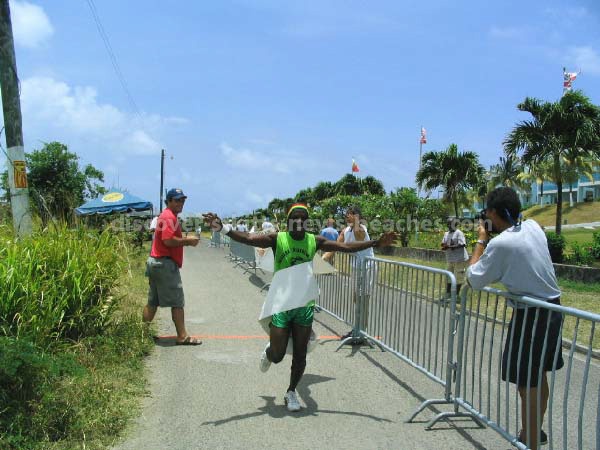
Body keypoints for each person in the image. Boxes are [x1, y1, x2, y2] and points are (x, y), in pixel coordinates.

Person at [203, 204, 396, 412]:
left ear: (307, 222)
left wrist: (376, 242)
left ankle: (291, 391)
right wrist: (220, 227)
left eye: (303, 219)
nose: (299, 222)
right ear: (288, 221)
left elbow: (346, 248)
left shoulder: (314, 240)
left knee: (301, 353)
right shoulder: (278, 238)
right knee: (277, 355)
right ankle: (269, 353)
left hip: (304, 305)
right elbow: (248, 239)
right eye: (295, 218)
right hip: (282, 305)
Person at [466, 187, 563, 449]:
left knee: (526, 384)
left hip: (532, 315)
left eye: (486, 211)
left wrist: (481, 239)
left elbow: (473, 277)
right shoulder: (532, 226)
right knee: (538, 376)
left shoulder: (501, 243)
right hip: (553, 308)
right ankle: (533, 432)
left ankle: (529, 442)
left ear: (494, 213)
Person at [143, 188, 201, 345]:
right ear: (168, 202)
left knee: (153, 302)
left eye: (182, 200)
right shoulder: (168, 216)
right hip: (164, 264)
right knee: (177, 302)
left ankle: (141, 334)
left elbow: (167, 238)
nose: (180, 203)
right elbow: (168, 240)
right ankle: (182, 336)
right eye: (177, 200)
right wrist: (188, 240)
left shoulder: (167, 216)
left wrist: (184, 239)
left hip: (156, 262)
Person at [337, 206, 375, 340]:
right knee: (356, 298)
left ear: (357, 216)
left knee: (363, 298)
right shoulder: (345, 231)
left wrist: (357, 219)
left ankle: (361, 333)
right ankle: (357, 328)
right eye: (347, 213)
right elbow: (335, 245)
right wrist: (322, 260)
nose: (347, 216)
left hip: (367, 267)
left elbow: (359, 237)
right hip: (355, 267)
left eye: (351, 214)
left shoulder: (361, 229)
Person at [441, 217, 469, 303]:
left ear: (455, 224)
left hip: (459, 259)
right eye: (448, 224)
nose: (449, 225)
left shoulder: (459, 233)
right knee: (449, 276)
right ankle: (448, 294)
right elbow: (443, 243)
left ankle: (456, 296)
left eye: (451, 224)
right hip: (450, 259)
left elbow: (462, 244)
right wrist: (444, 246)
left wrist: (450, 246)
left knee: (458, 277)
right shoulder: (446, 233)